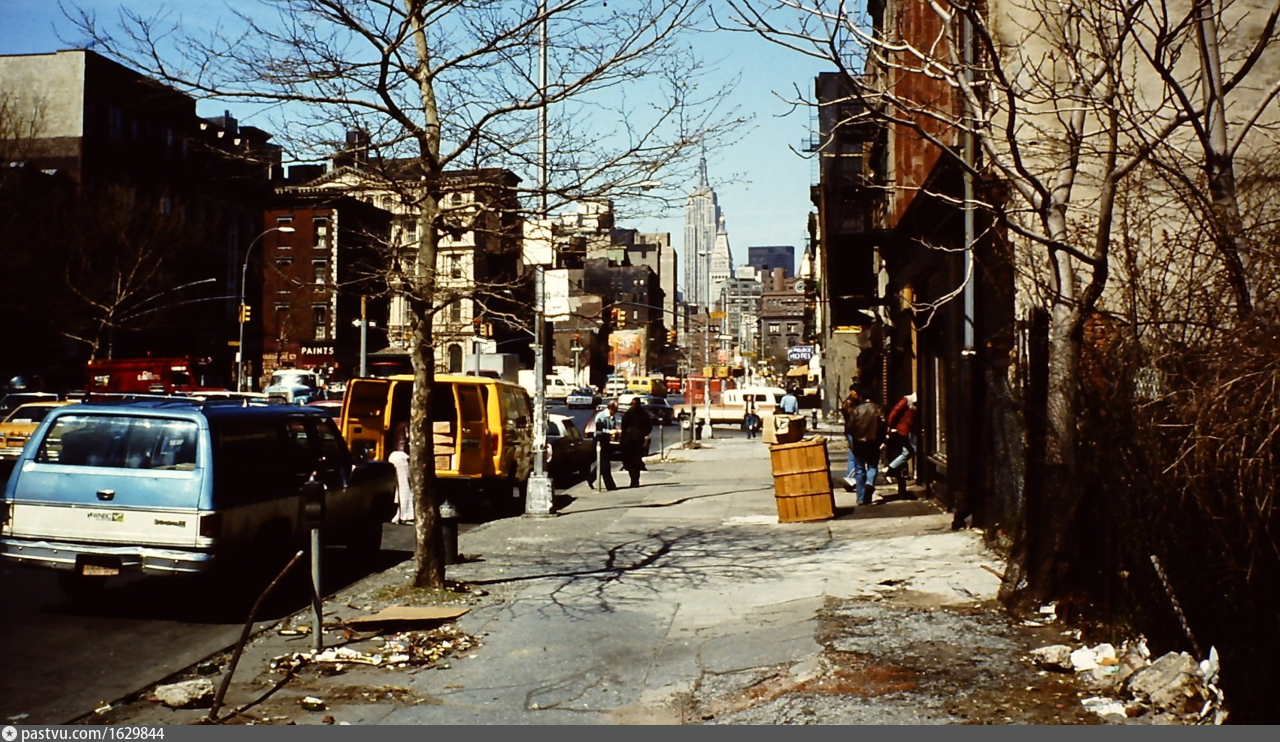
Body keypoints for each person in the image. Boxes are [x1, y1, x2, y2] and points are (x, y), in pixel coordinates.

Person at [843, 386, 886, 506]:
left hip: (858, 443)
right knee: (872, 466)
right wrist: (882, 440)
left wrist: (854, 437)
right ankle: (870, 483)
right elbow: (883, 426)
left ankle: (861, 498)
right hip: (873, 442)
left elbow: (850, 427)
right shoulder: (878, 409)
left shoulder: (856, 410)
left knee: (859, 469)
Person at [620, 397, 653, 488]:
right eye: (632, 404)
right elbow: (623, 428)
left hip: (638, 442)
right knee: (629, 462)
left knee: (636, 462)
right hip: (628, 442)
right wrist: (623, 440)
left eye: (635, 404)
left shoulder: (643, 415)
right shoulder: (627, 414)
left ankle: (635, 481)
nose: (633, 406)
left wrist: (642, 434)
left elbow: (649, 427)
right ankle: (632, 479)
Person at [885, 393, 918, 484]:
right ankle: (890, 469)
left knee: (910, 452)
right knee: (910, 451)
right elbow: (894, 412)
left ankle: (891, 469)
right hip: (905, 431)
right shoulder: (908, 400)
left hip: (912, 430)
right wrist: (890, 426)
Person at [589, 401, 620, 491]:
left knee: (602, 463)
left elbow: (612, 427)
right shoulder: (601, 416)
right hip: (599, 441)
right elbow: (598, 430)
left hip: (606, 441)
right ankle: (610, 485)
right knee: (605, 464)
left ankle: (591, 477)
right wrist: (609, 432)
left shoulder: (612, 417)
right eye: (616, 409)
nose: (616, 411)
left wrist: (615, 431)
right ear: (611, 408)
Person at [388, 420, 413, 524]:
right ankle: (406, 516)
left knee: (400, 487)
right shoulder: (406, 425)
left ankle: (398, 515)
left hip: (394, 455)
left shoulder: (399, 425)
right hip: (401, 456)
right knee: (405, 487)